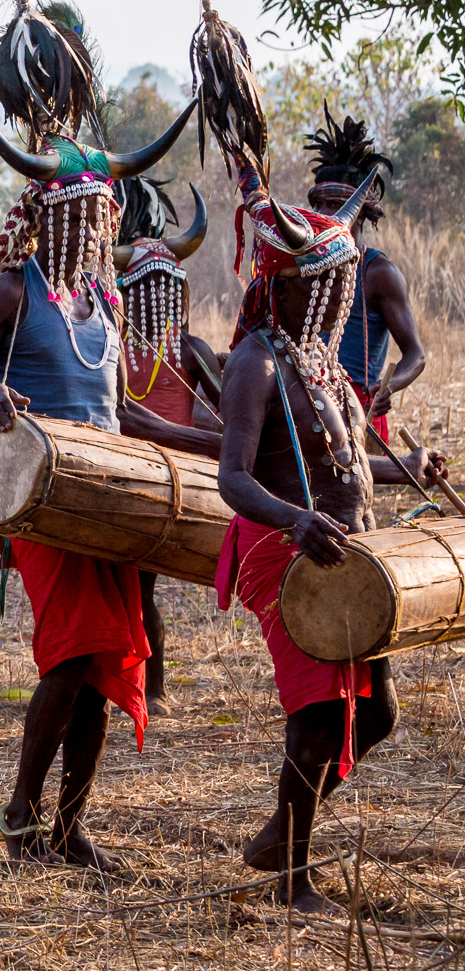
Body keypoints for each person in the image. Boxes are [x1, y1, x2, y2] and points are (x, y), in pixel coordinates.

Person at [0, 101, 213, 868]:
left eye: (100, 217)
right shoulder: (10, 291)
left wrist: (215, 443)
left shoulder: (106, 297)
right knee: (73, 656)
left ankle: (69, 827)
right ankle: (21, 813)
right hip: (43, 500)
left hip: (113, 497)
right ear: (47, 213)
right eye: (79, 215)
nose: (92, 230)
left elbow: (123, 410)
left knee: (100, 671)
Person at [217, 161, 441, 911]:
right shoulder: (255, 361)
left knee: (375, 712)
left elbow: (340, 457)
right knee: (317, 712)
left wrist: (401, 463)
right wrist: (296, 519)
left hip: (342, 548)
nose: (337, 296)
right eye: (324, 284)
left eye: (340, 283)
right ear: (285, 285)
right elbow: (234, 478)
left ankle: (284, 826)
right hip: (283, 550)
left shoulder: (318, 360)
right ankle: (293, 879)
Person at [112, 179, 221, 716]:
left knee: (142, 589)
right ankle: (122, 683)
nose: (159, 301)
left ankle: (150, 687)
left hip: (171, 486)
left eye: (166, 290)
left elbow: (228, 419)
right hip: (112, 476)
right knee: (122, 588)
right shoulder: (107, 340)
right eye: (149, 291)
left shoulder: (192, 350)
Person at [305, 110, 424, 441]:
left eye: (337, 205)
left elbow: (416, 355)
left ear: (361, 213)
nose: (327, 215)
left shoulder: (379, 272)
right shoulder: (303, 266)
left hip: (358, 412)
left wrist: (388, 386)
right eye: (322, 205)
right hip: (305, 405)